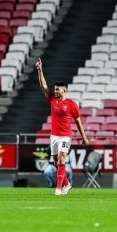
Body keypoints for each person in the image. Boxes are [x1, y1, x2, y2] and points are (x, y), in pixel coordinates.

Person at [35, 58, 89, 196]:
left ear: (64, 90)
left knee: (62, 158)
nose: (55, 91)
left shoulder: (72, 104)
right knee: (56, 162)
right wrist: (40, 70)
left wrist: (84, 138)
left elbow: (78, 122)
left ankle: (58, 189)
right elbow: (43, 86)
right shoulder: (52, 99)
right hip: (54, 136)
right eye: (54, 89)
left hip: (65, 136)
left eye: (57, 89)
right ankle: (67, 184)